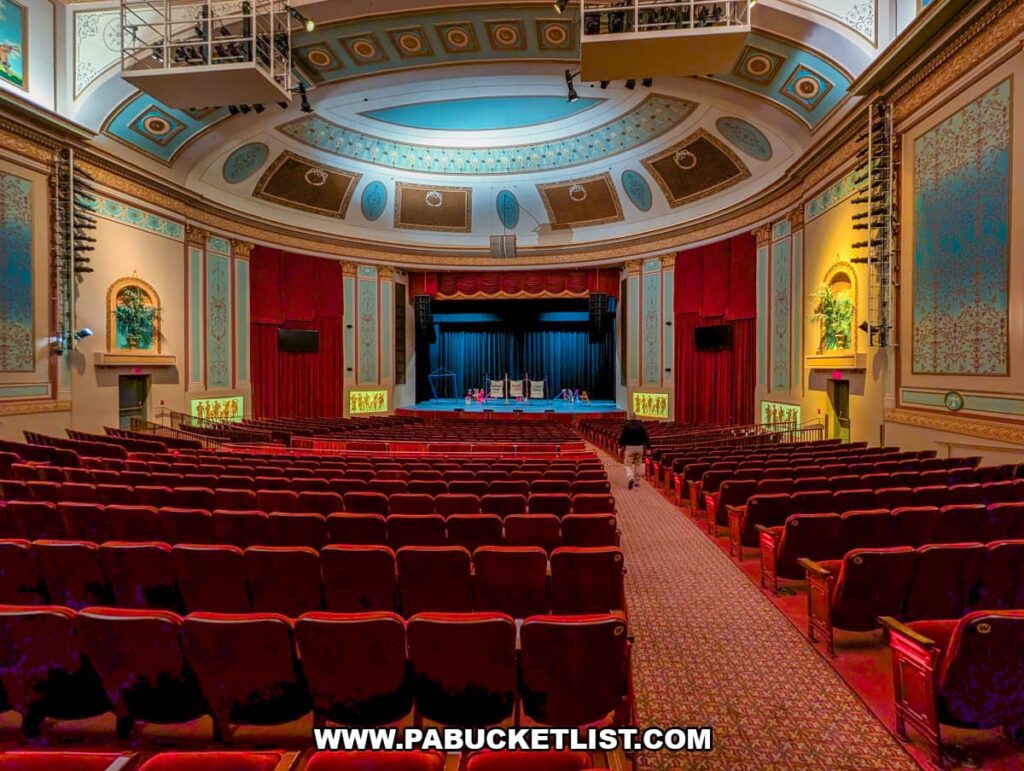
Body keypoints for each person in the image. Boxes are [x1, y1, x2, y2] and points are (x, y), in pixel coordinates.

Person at [617, 415, 651, 490]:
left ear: (630, 418)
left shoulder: (627, 426)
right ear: (636, 418)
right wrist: (648, 448)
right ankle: (637, 482)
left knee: (627, 465)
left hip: (630, 448)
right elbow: (646, 437)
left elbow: (623, 437)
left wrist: (620, 446)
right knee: (638, 464)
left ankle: (630, 478)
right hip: (640, 448)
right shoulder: (641, 426)